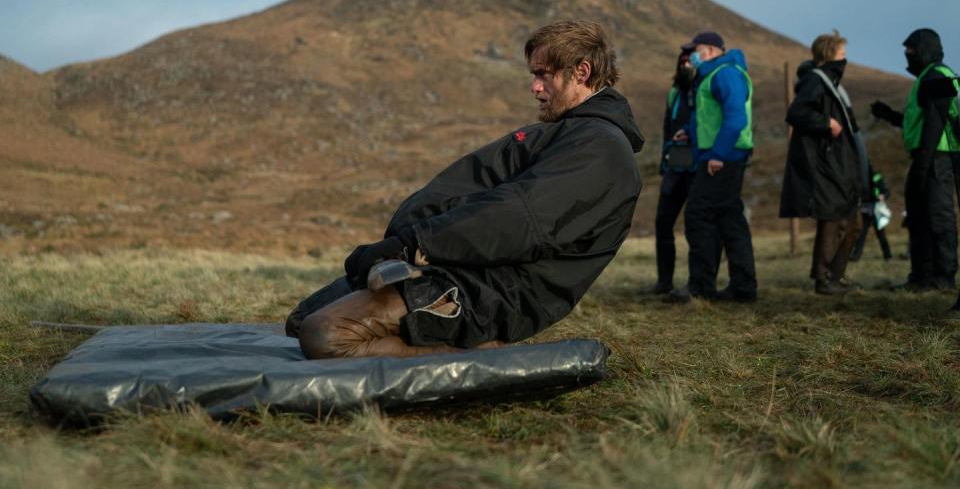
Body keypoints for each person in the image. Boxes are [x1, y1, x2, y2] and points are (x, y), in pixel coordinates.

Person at [285, 20, 645, 358]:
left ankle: (481, 353)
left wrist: (415, 245)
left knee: (326, 335)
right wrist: (405, 240)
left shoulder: (600, 148)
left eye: (543, 75)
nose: (535, 87)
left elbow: (519, 218)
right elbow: (481, 193)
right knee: (299, 320)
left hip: (496, 290)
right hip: (458, 263)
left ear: (581, 72)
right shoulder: (568, 135)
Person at [665, 32, 757, 303]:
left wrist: (718, 154)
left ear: (711, 50)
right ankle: (742, 287)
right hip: (718, 154)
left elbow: (735, 118)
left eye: (697, 50)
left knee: (698, 215)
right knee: (730, 220)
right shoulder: (711, 75)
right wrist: (689, 131)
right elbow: (709, 117)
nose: (693, 55)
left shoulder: (725, 73)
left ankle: (701, 286)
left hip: (721, 158)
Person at [872, 28, 960, 298]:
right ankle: (921, 276)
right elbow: (921, 121)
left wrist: (924, 164)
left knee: (938, 217)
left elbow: (936, 122)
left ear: (925, 50)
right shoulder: (927, 77)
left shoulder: (937, 75)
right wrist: (890, 116)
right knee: (919, 218)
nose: (907, 55)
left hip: (938, 158)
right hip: (928, 156)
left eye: (911, 50)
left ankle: (943, 277)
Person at [779, 30, 862, 294]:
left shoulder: (831, 83)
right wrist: (827, 122)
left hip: (837, 163)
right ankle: (825, 278)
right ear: (829, 55)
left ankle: (835, 276)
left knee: (851, 220)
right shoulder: (816, 81)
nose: (845, 60)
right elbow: (797, 112)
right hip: (825, 164)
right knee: (834, 217)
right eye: (842, 54)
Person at [642, 46, 698, 295]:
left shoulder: (704, 90)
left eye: (690, 62)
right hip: (675, 165)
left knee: (696, 227)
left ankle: (696, 283)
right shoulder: (675, 92)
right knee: (663, 223)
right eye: (683, 62)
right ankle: (664, 282)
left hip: (697, 166)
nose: (686, 67)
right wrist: (665, 160)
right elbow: (667, 126)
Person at [849, 164, 893, 262]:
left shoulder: (876, 177)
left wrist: (883, 196)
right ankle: (856, 255)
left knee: (881, 234)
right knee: (861, 234)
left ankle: (887, 256)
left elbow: (886, 191)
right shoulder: (858, 178)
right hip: (865, 209)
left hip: (876, 209)